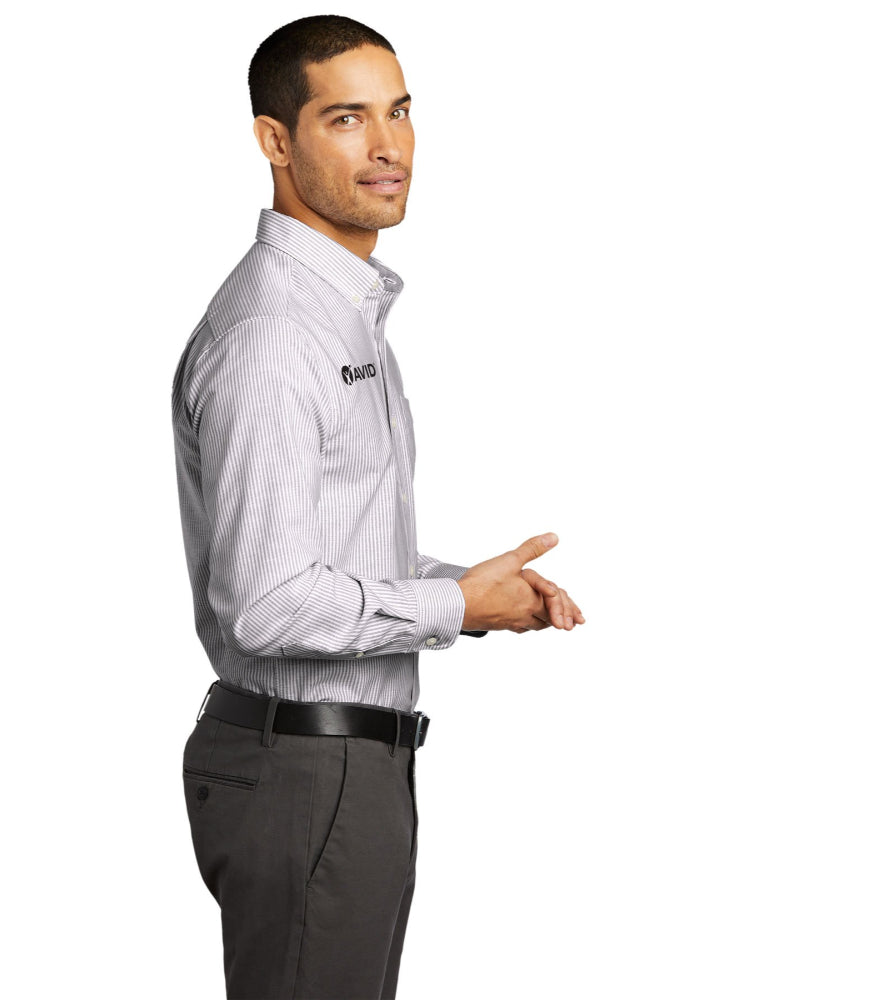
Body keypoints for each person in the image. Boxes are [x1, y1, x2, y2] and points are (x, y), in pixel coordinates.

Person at [170, 14, 585, 999]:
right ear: (275, 141)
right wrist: (452, 606)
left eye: (398, 112)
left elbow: (325, 554)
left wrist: (472, 591)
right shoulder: (276, 335)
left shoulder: (338, 313)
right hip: (307, 769)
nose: (389, 145)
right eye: (347, 119)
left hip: (332, 768)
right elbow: (267, 603)